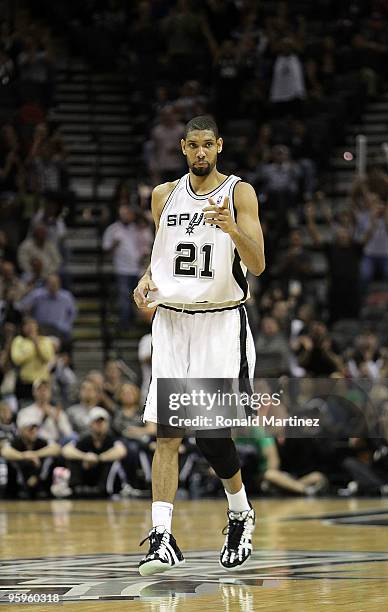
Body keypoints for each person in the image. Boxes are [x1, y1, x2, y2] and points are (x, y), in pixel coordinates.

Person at [133, 115, 264, 575]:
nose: (201, 153)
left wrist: (232, 229)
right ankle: (162, 538)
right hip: (171, 322)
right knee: (167, 435)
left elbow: (259, 263)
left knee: (211, 438)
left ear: (219, 145)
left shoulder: (238, 192)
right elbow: (163, 253)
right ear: (183, 149)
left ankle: (240, 510)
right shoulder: (163, 195)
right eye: (193, 146)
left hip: (219, 322)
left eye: (208, 145)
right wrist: (148, 278)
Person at [61, 407, 127, 498]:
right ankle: (76, 488)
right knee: (74, 460)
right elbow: (66, 450)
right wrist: (85, 456)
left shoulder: (111, 439)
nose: (100, 425)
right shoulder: (85, 439)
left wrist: (99, 458)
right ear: (90, 424)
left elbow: (121, 451)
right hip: (88, 472)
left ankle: (105, 490)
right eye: (97, 422)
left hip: (105, 476)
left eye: (102, 422)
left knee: (113, 463)